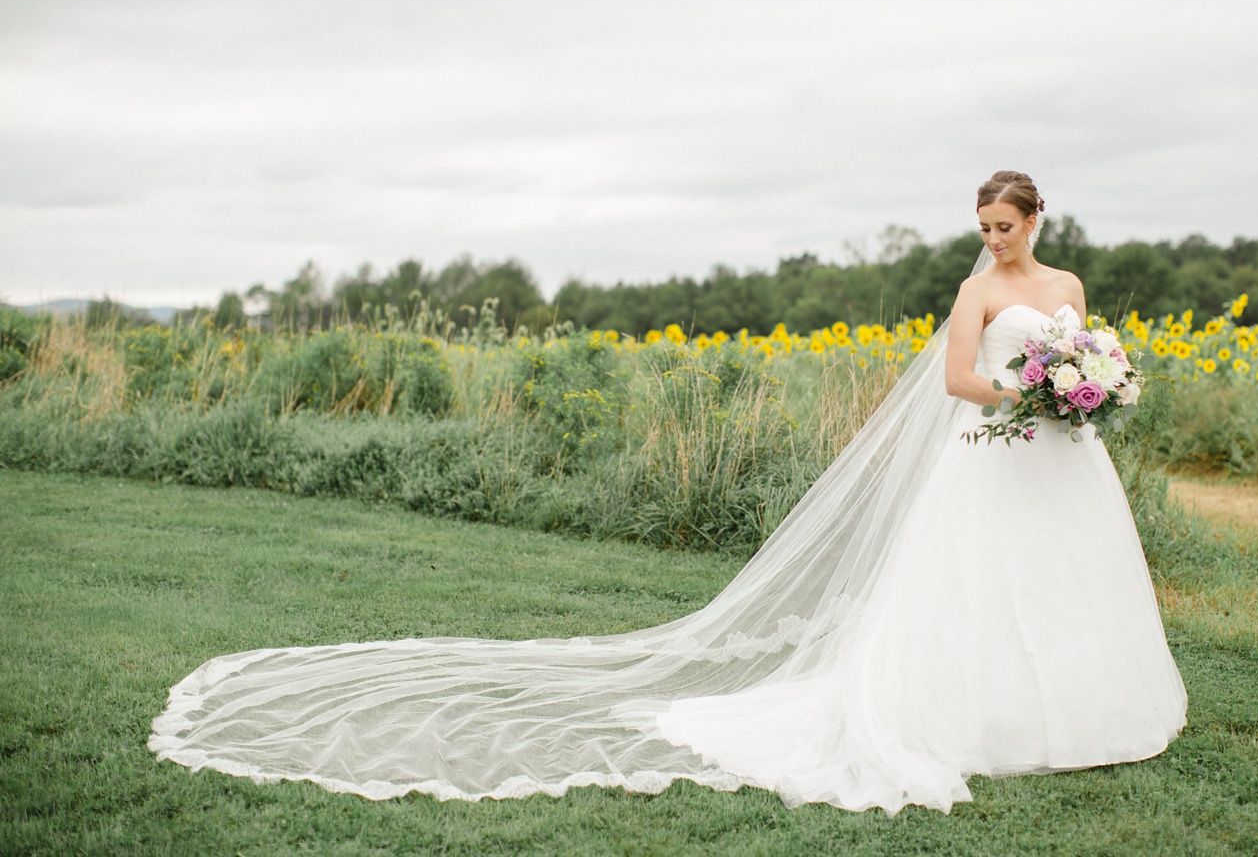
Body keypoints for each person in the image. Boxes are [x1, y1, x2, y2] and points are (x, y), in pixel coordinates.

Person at [150, 170, 1187, 815]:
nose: (995, 238)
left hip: (1058, 453)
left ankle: (1080, 712)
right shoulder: (973, 293)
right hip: (990, 445)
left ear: (1037, 218)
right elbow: (962, 379)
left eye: (1006, 225)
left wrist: (1081, 387)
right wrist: (1030, 384)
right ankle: (977, 717)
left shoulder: (1066, 289)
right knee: (976, 585)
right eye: (984, 225)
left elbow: (1087, 348)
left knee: (1064, 581)